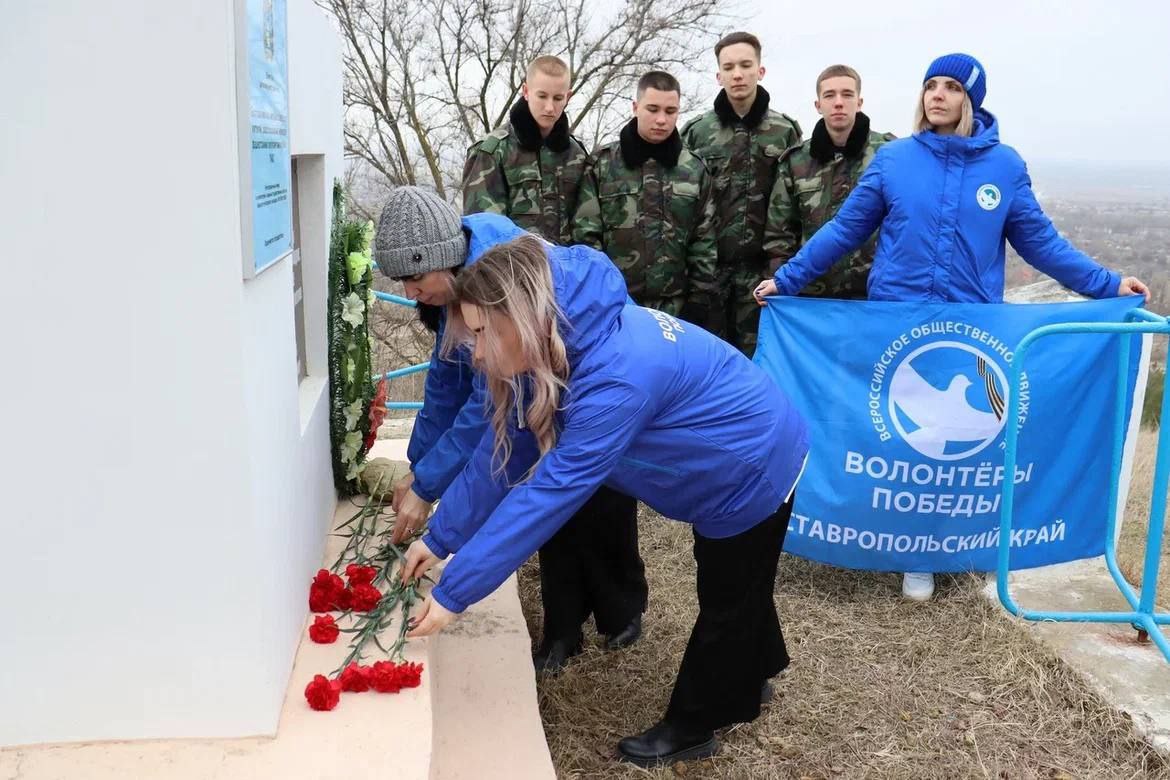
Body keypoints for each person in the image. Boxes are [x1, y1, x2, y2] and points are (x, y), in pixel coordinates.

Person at [399, 235, 809, 767]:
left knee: (728, 594)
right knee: (740, 584)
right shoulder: (554, 342)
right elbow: (505, 452)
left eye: (481, 334)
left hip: (751, 462)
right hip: (730, 452)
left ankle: (694, 725)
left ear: (519, 318)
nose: (476, 353)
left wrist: (456, 592)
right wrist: (441, 536)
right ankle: (753, 673)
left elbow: (550, 493)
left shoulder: (616, 375)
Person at [753, 53, 1148, 601]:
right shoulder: (894, 161)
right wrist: (788, 279)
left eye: (951, 87)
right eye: (930, 85)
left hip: (970, 327)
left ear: (971, 98)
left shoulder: (1004, 167)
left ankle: (938, 549)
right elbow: (844, 230)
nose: (936, 95)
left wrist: (1108, 286)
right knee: (896, 436)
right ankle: (887, 540)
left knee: (954, 449)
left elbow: (1042, 244)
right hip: (896, 321)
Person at [373, 186, 647, 669]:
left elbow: (485, 405)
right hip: (537, 400)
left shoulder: (494, 284)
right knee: (548, 513)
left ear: (443, 259)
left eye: (414, 278)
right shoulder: (452, 294)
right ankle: (563, 629)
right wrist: (420, 469)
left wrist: (429, 488)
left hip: (578, 393)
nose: (408, 293)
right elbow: (446, 381)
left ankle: (620, 609)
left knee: (596, 503)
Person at [682, 31, 802, 355]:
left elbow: (794, 204)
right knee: (708, 360)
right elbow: (684, 203)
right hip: (710, 274)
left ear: (760, 71)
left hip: (761, 275)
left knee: (758, 361)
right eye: (729, 66)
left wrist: (781, 269)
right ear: (718, 74)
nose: (738, 74)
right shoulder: (696, 133)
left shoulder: (785, 131)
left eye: (746, 65)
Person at [573, 70, 720, 329]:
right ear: (635, 107)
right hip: (615, 305)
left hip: (677, 310)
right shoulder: (602, 165)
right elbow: (586, 236)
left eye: (670, 111)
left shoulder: (695, 169)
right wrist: (600, 294)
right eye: (652, 109)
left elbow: (704, 239)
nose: (661, 120)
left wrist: (699, 299)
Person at [764, 64, 895, 299]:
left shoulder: (888, 155)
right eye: (829, 95)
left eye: (847, 94)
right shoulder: (795, 162)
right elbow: (779, 236)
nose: (838, 102)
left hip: (874, 296)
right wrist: (782, 291)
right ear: (818, 105)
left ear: (860, 101)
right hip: (813, 299)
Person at [462, 55, 589, 245]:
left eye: (557, 98)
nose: (549, 107)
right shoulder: (492, 152)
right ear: (526, 91)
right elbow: (484, 234)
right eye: (542, 96)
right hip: (513, 270)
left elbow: (586, 228)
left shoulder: (576, 155)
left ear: (568, 97)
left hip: (567, 271)